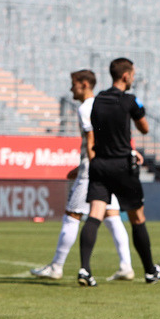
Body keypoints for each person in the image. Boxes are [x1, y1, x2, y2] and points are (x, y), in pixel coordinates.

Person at [77, 58, 160, 286]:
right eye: (132, 74)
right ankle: (150, 271)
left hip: (100, 164)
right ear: (125, 76)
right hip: (122, 165)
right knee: (137, 218)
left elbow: (100, 129)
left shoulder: (97, 99)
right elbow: (144, 128)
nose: (133, 78)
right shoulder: (129, 100)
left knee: (94, 215)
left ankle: (84, 270)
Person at [31, 70, 135, 281]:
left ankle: (57, 267)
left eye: (74, 84)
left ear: (85, 84)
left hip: (94, 169)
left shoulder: (86, 108)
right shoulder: (104, 105)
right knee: (111, 214)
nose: (71, 89)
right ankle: (126, 266)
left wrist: (88, 167)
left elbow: (92, 139)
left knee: (72, 215)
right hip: (110, 167)